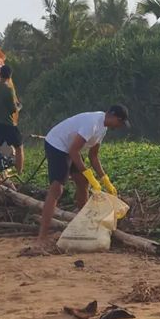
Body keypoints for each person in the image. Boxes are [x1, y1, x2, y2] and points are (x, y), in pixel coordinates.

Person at [37, 105, 129, 245]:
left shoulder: (103, 128)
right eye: (120, 122)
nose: (120, 126)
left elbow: (93, 156)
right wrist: (89, 175)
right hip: (57, 145)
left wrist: (105, 180)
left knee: (82, 183)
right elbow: (74, 151)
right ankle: (42, 236)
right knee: (56, 189)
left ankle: (84, 225)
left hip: (71, 148)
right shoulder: (91, 123)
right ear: (113, 116)